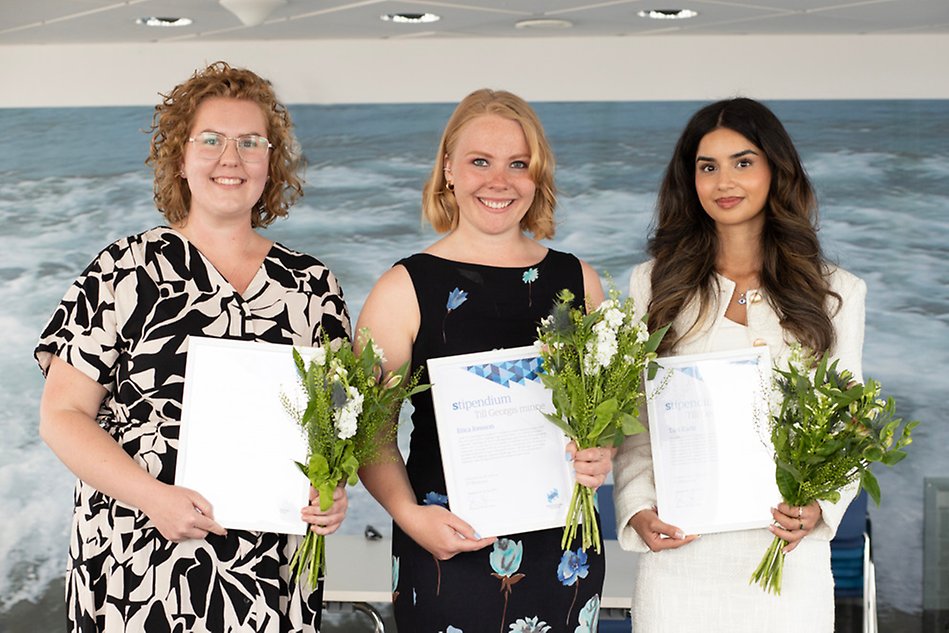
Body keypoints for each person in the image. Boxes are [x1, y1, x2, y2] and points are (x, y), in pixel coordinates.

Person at [35, 62, 351, 632]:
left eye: (250, 142)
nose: (230, 158)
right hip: (137, 565)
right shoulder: (124, 269)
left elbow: (334, 430)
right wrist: (153, 497)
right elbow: (61, 416)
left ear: (270, 161)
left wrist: (332, 493)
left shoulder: (312, 286)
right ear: (180, 157)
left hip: (270, 570)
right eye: (211, 140)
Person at [357, 88, 610, 632]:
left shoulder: (580, 281)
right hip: (446, 544)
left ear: (537, 176)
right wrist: (408, 517)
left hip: (563, 551)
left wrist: (600, 451)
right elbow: (369, 432)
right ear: (448, 169)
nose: (499, 181)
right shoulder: (403, 287)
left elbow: (603, 416)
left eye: (519, 164)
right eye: (479, 162)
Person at [612, 97, 866, 631]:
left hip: (787, 559)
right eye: (708, 166)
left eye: (743, 162)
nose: (724, 181)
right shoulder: (650, 285)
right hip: (680, 556)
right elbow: (635, 419)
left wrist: (819, 506)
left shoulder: (837, 293)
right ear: (691, 180)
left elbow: (848, 422)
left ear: (777, 171)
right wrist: (637, 507)